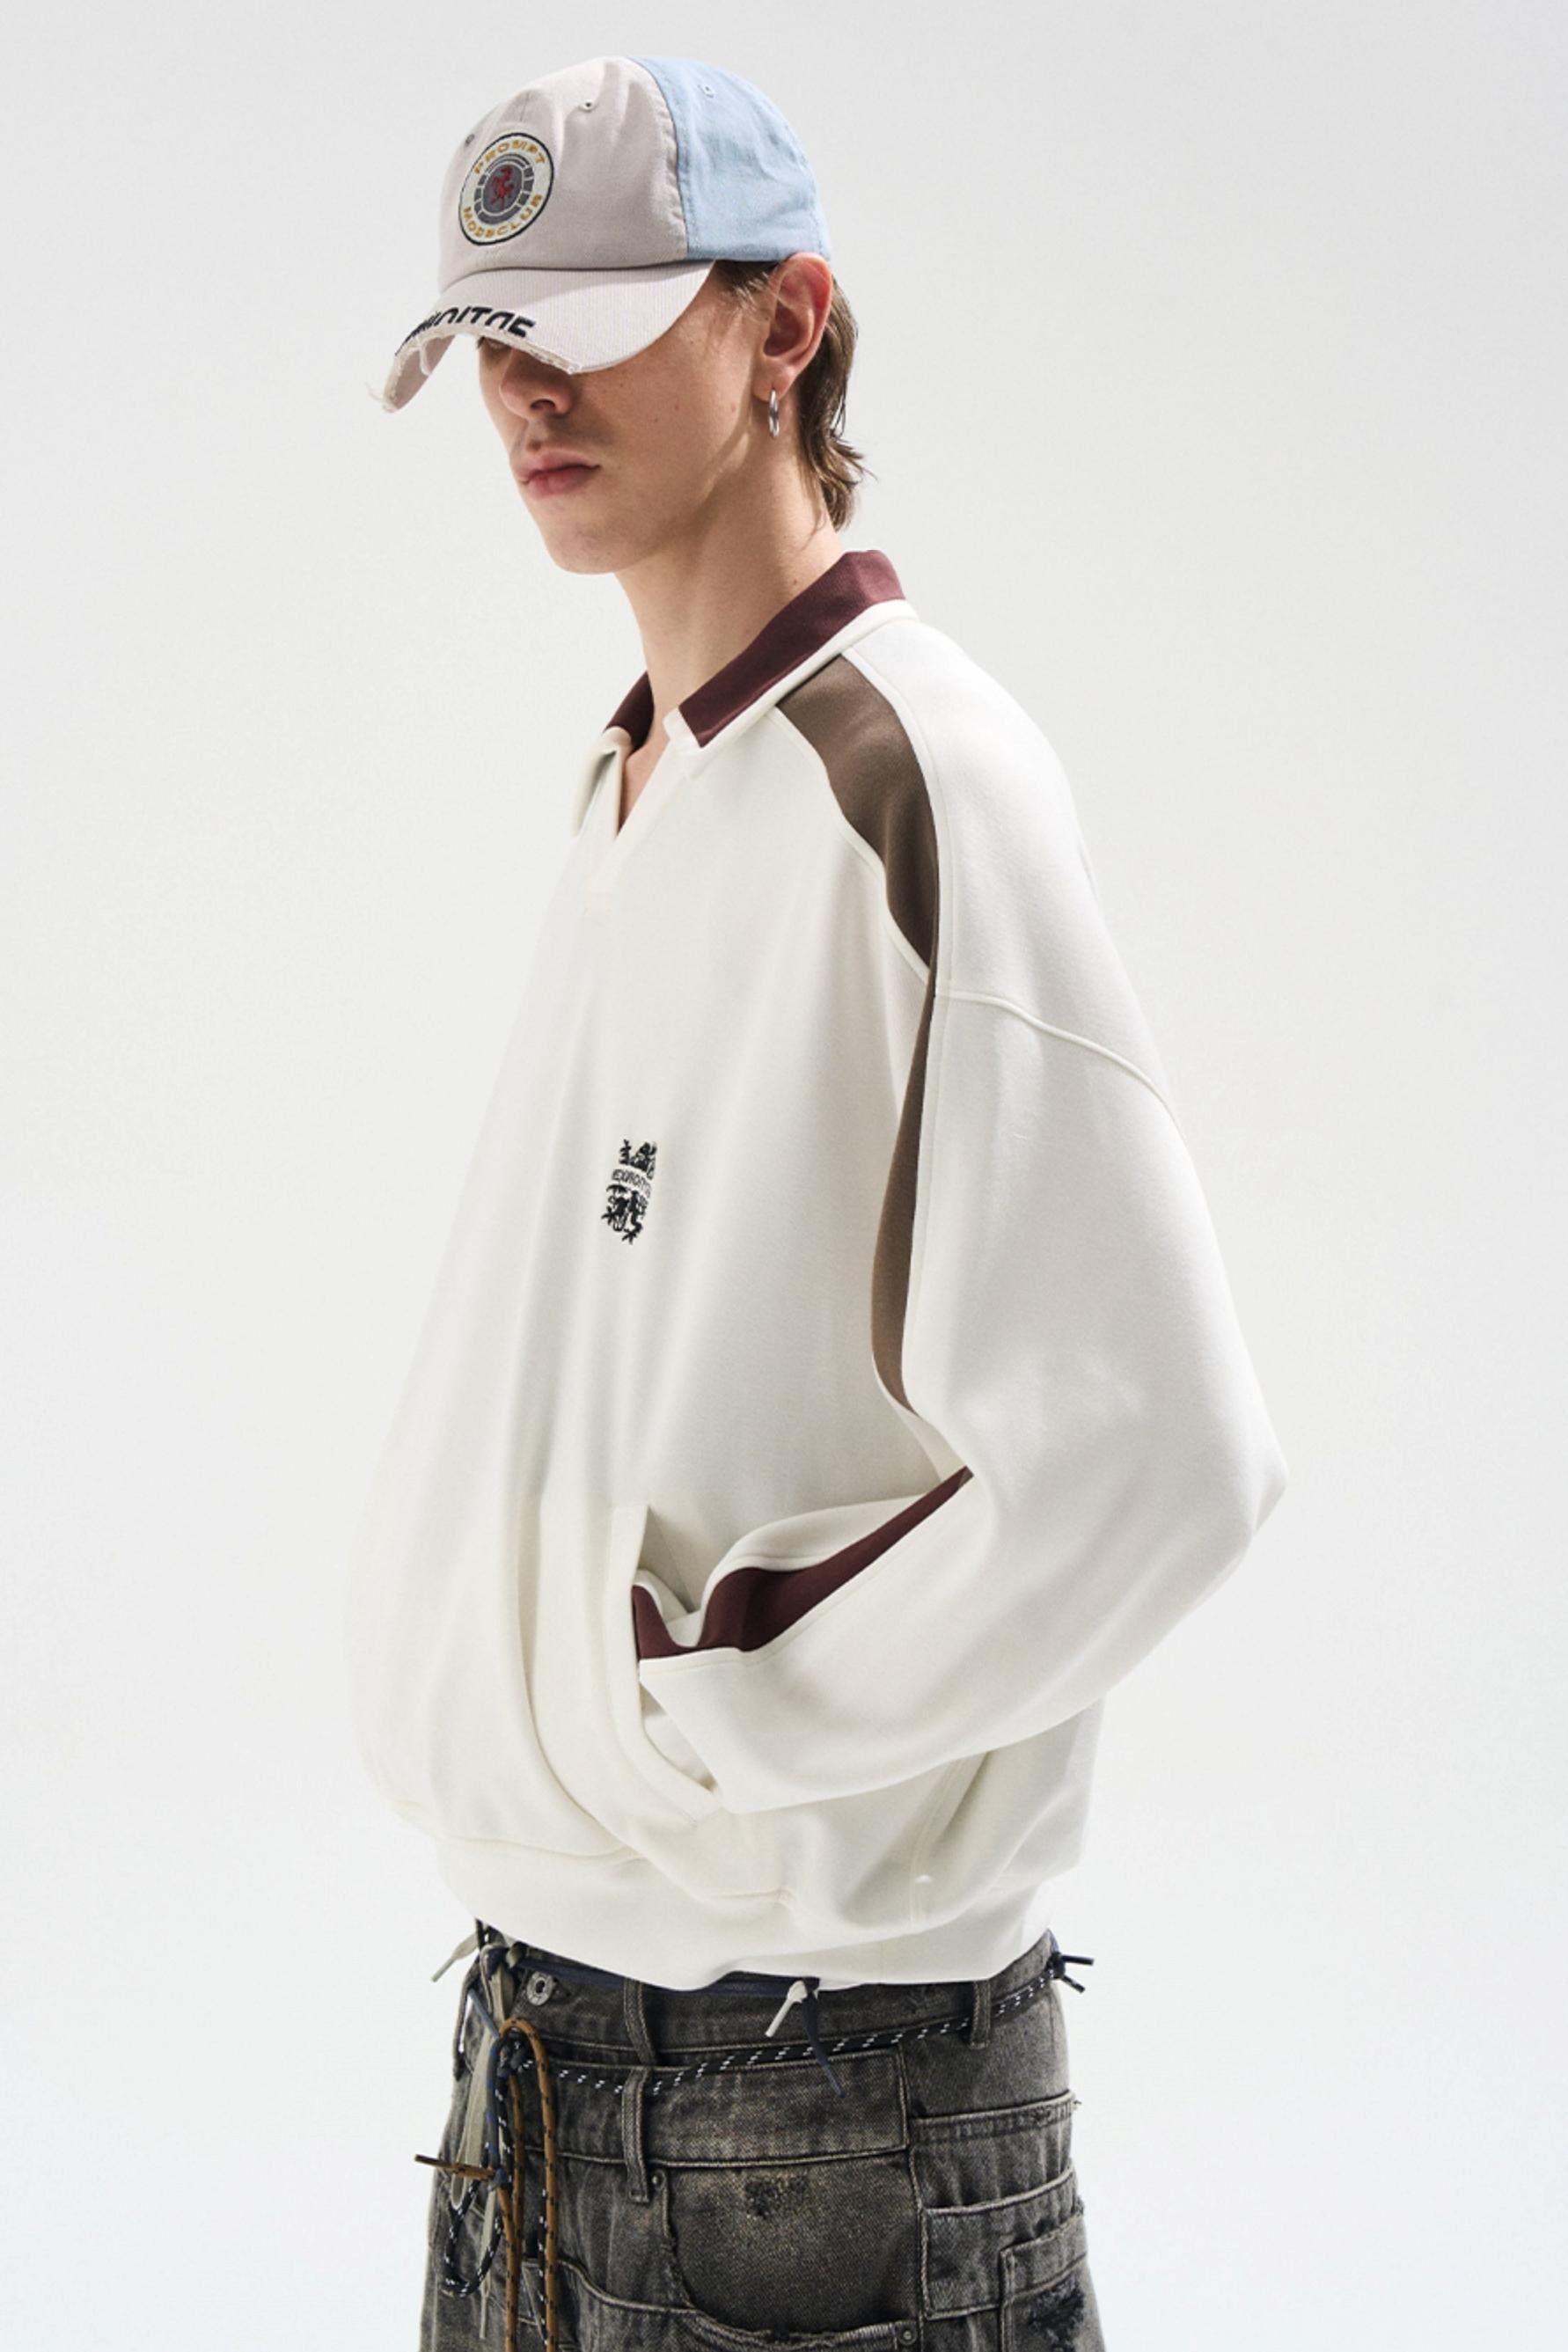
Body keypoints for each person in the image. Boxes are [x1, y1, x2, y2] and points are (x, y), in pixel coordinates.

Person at [346, 53, 1290, 2352]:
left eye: (589, 328)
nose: (525, 393)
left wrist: (726, 1706)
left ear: (787, 324)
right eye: (489, 340)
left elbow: (1164, 1454)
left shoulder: (913, 779)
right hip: (547, 2059)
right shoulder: (649, 778)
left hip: (807, 2113)